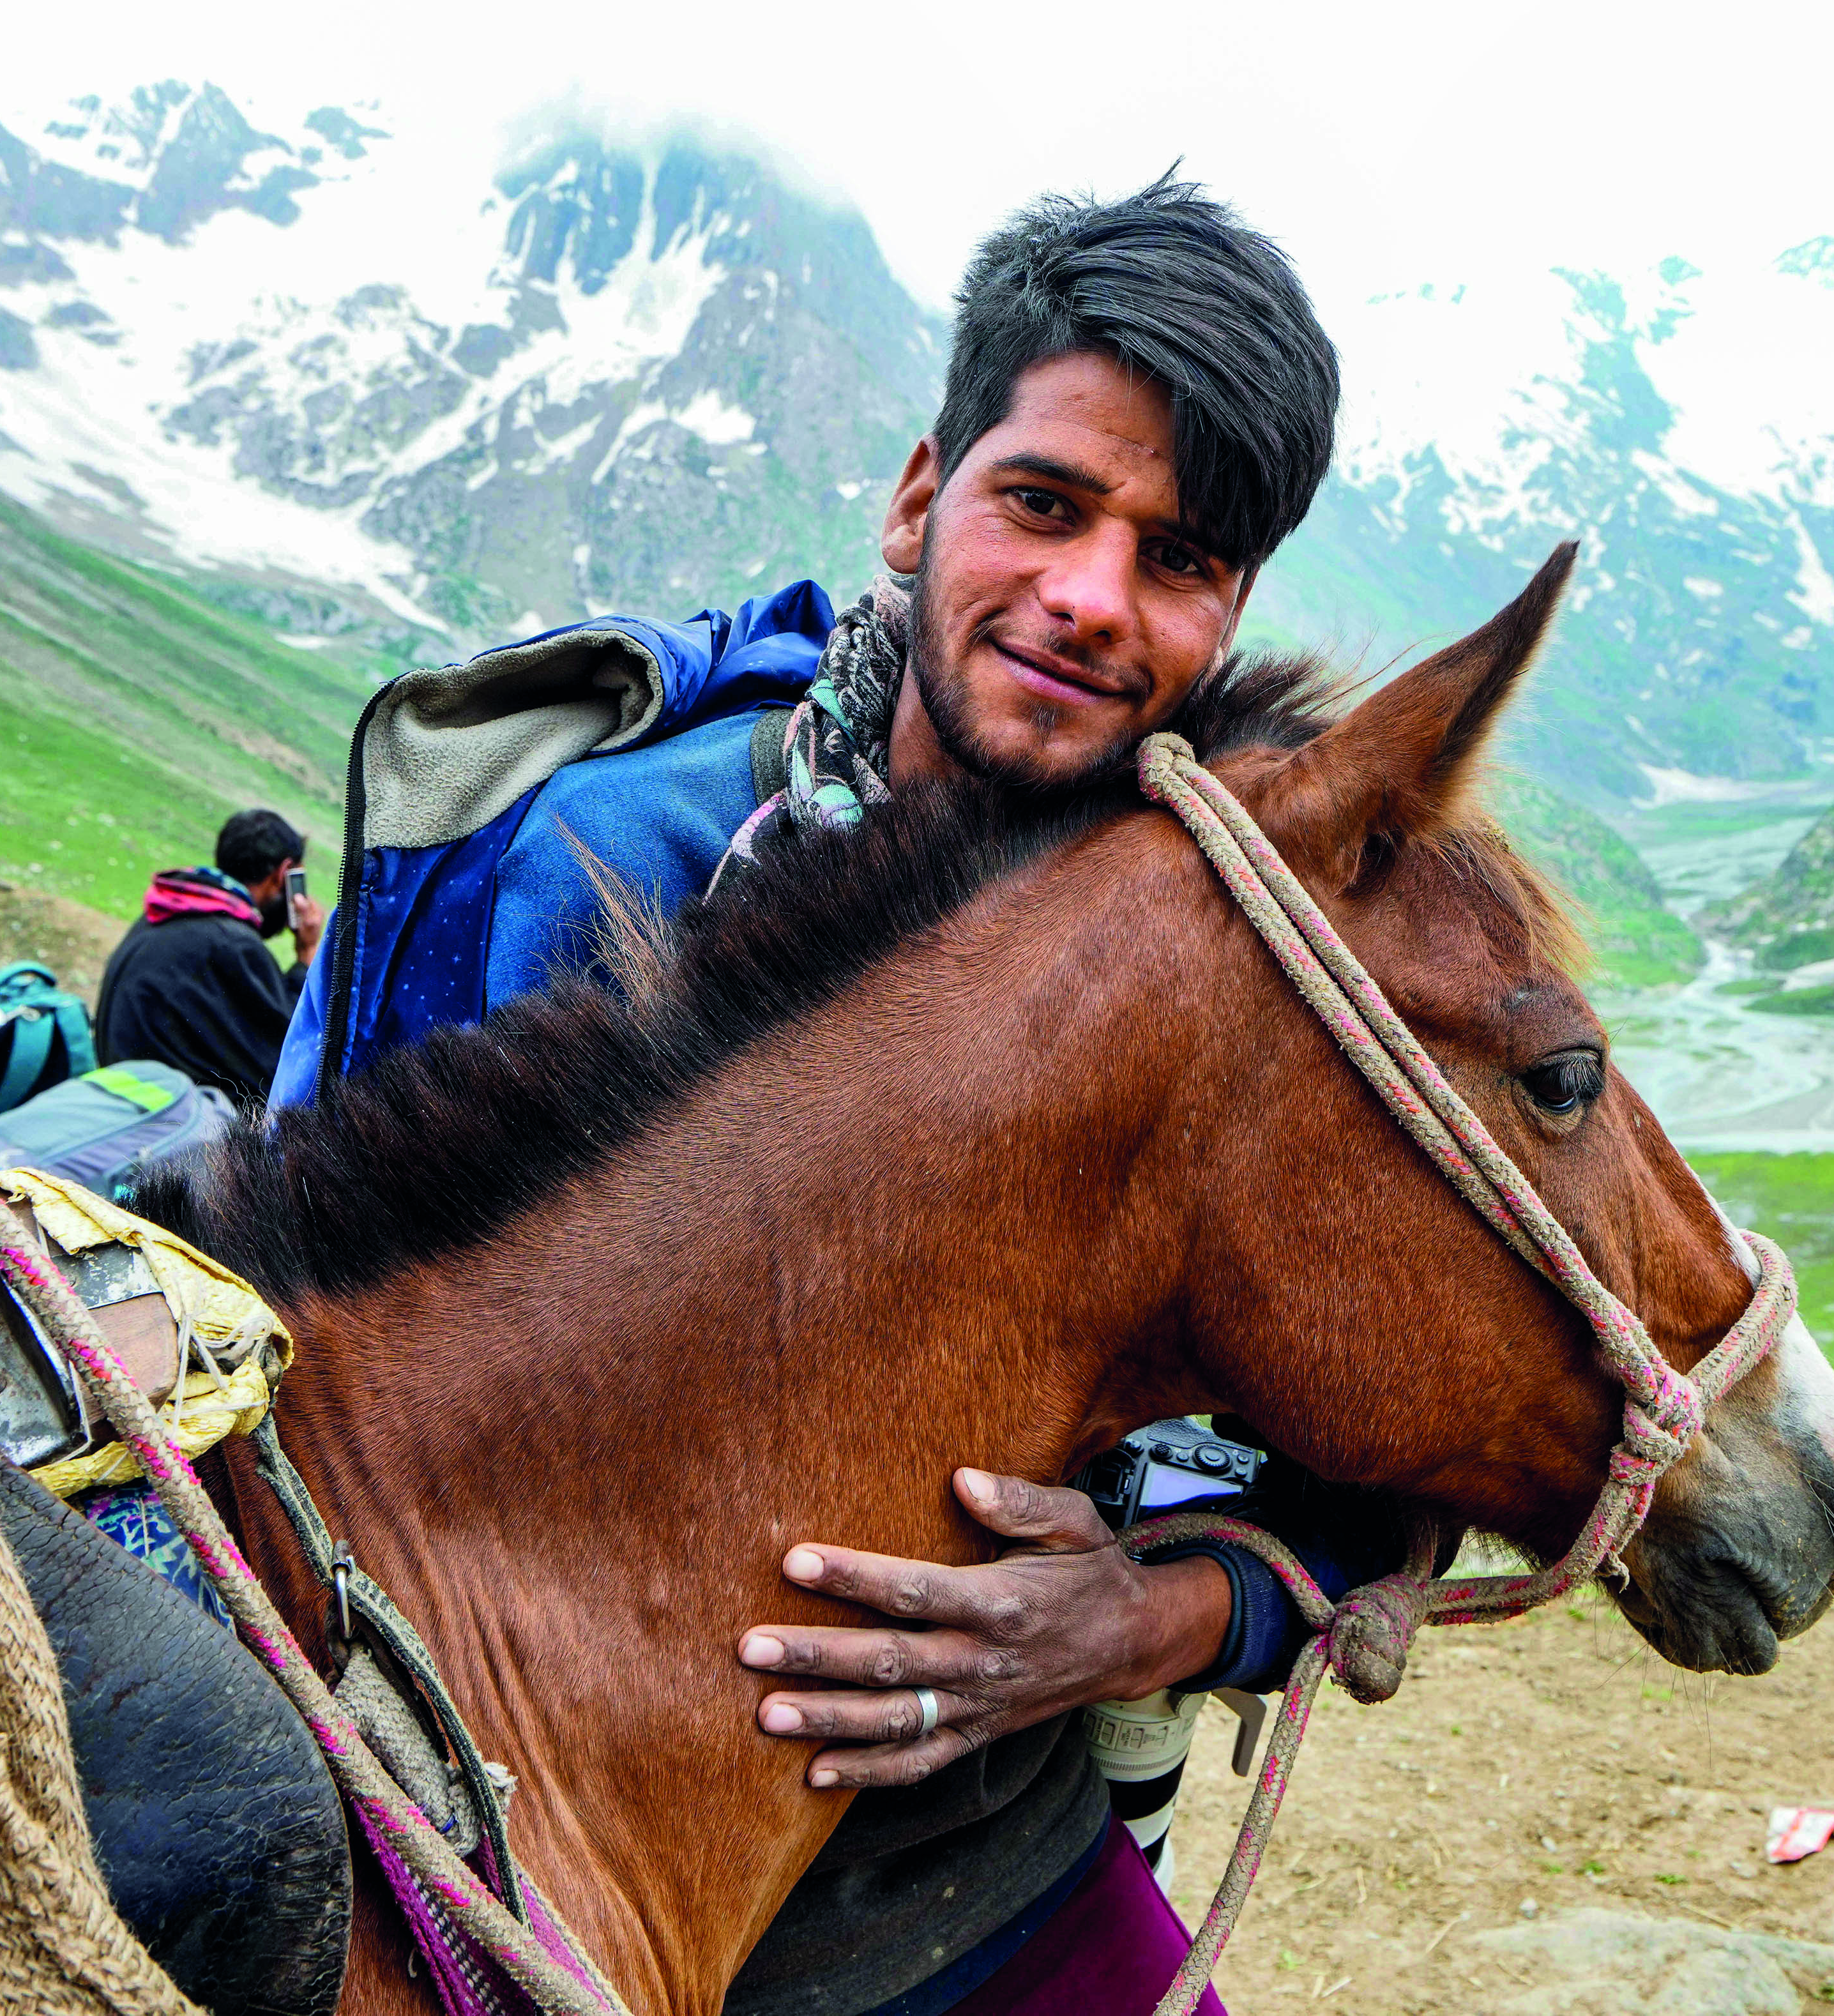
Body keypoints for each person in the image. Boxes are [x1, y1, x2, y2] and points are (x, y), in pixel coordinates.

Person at [271, 178, 1388, 2015]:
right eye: (1045, 504)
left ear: (1232, 605)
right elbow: (358, 1427)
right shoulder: (606, 869)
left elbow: (1399, 1410)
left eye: (1177, 557)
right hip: (537, 1796)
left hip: (981, 1827)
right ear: (918, 495)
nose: (1092, 599)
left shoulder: (1227, 957)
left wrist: (1150, 1615)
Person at [95, 808, 326, 1106]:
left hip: (127, 1098)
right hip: (172, 1125)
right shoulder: (232, 945)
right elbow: (288, 1052)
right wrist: (307, 952)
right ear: (283, 875)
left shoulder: (166, 912)